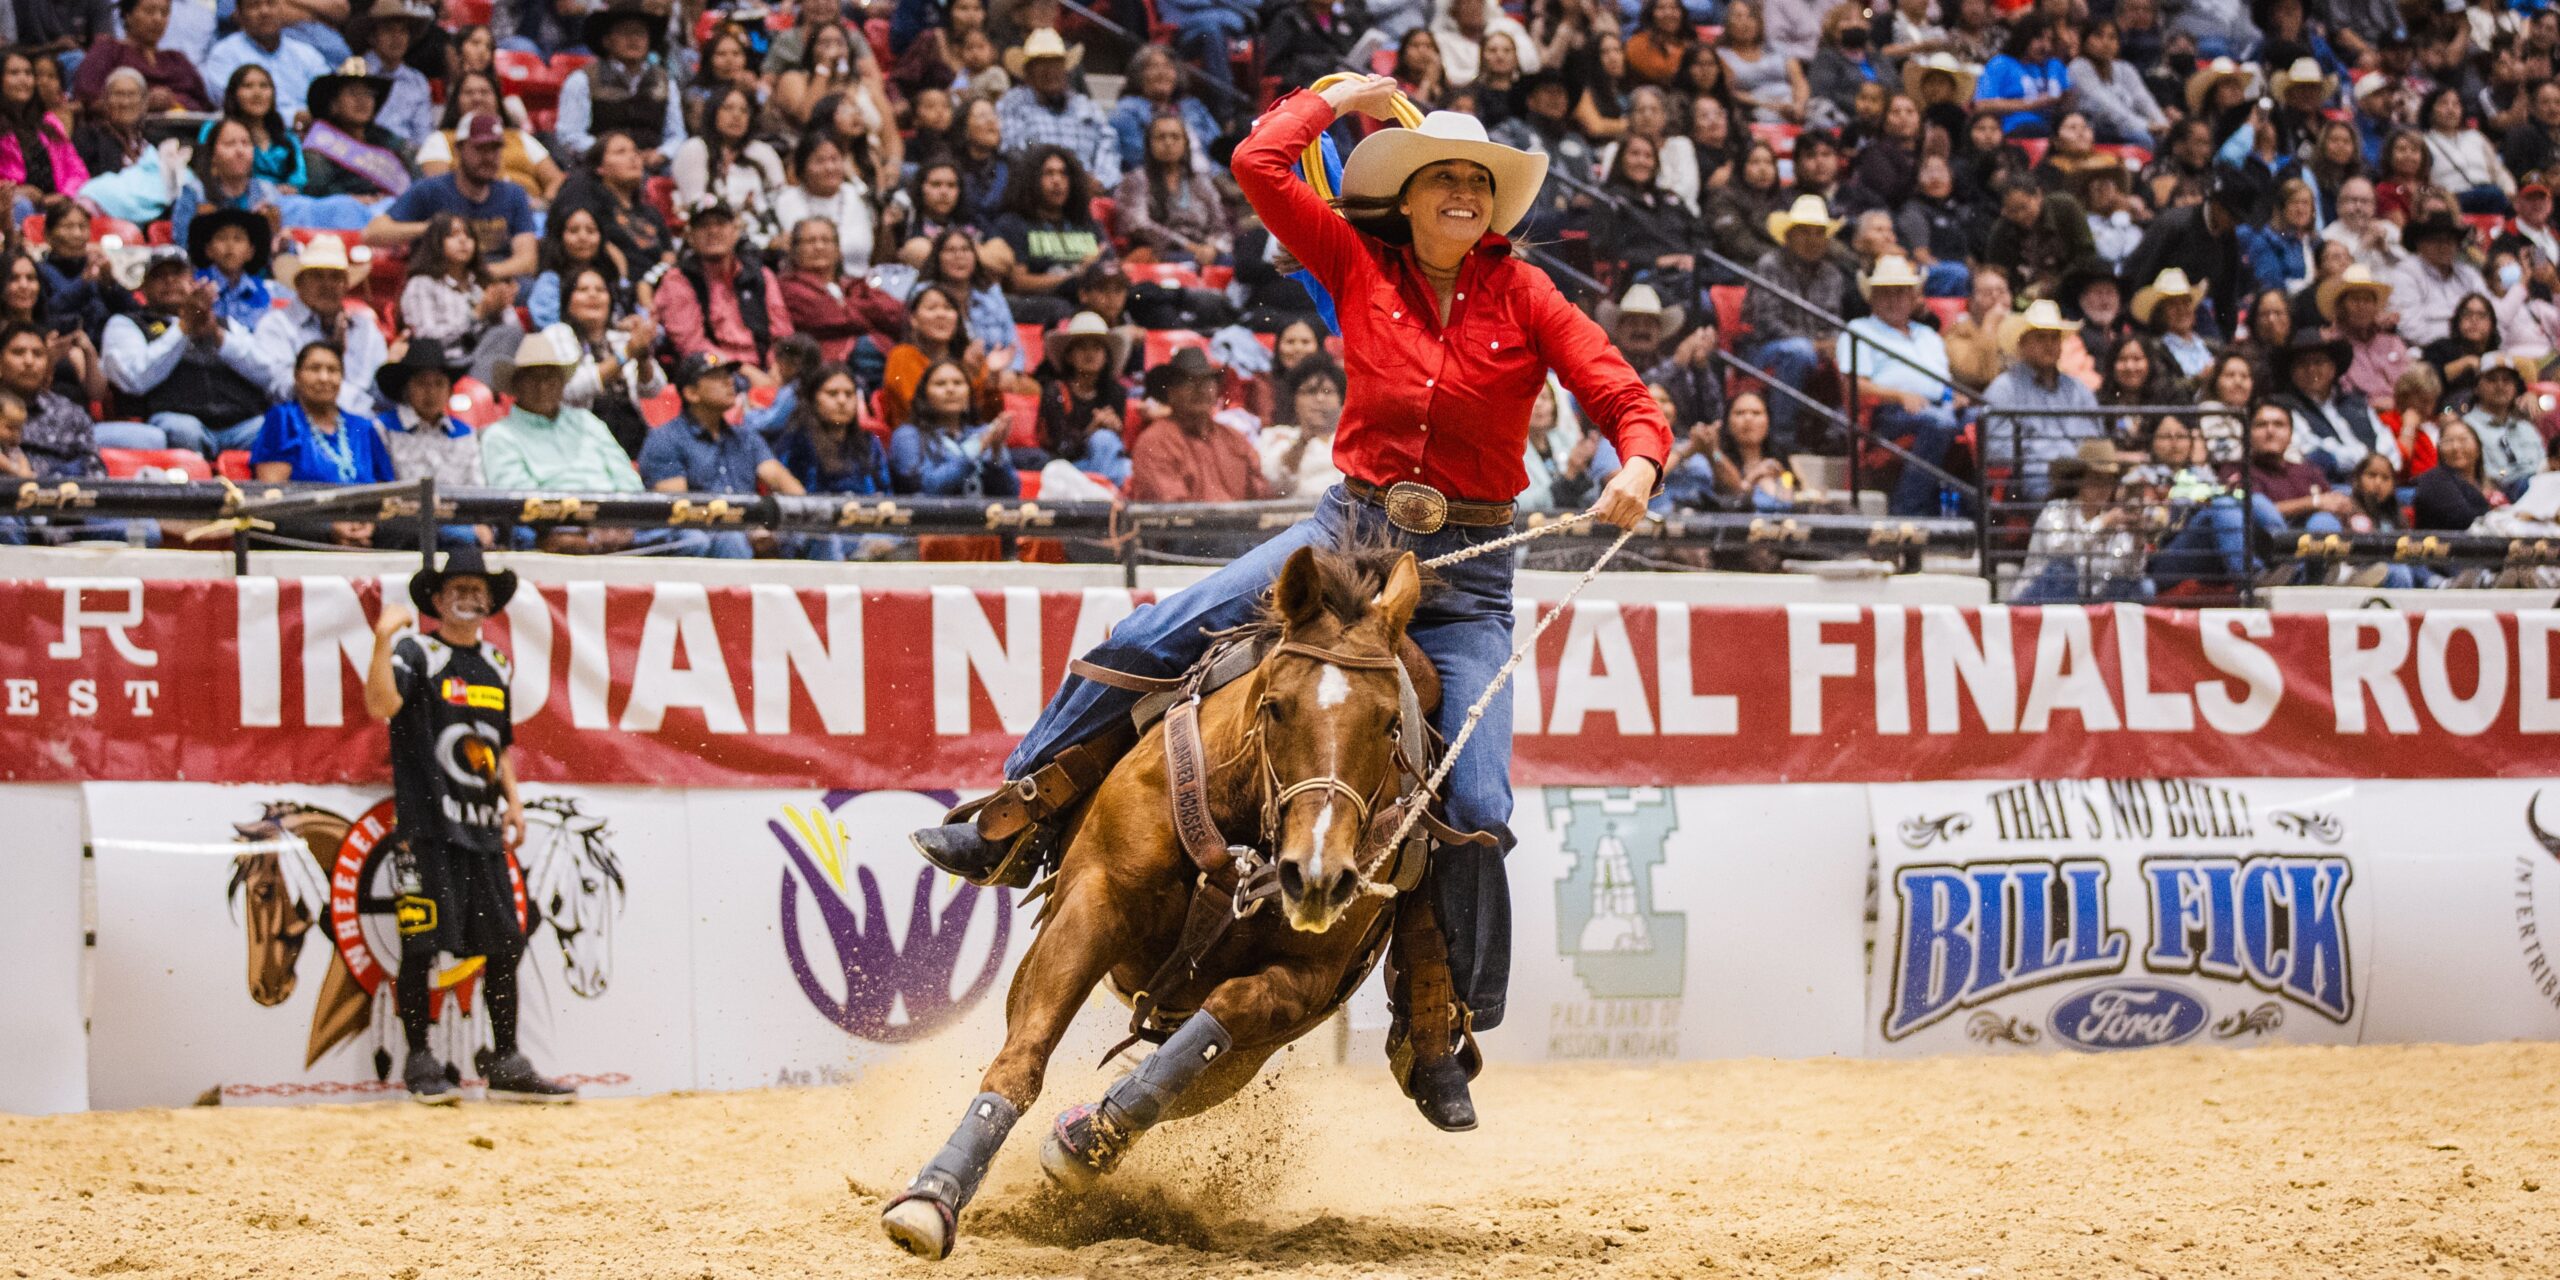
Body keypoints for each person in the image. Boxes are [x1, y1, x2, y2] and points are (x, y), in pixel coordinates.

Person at [902, 76, 1669, 1146]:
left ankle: (1431, 1021)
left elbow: (1626, 397)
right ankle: (1017, 812)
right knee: (1141, 639)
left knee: (1475, 800)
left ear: (1496, 202)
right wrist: (1336, 93)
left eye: (1478, 181)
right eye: (1441, 177)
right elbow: (1261, 165)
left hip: (1463, 581)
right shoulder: (1359, 264)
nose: (1460, 193)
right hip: (1344, 535)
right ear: (1404, 197)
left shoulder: (1527, 295)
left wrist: (1638, 461)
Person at [363, 548, 578, 1107]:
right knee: (421, 946)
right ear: (435, 600)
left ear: (490, 601)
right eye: (456, 586)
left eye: (478, 588)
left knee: (505, 945)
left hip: (482, 832)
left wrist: (513, 801)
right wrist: (383, 639)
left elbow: (499, 743)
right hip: (426, 831)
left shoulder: (498, 665)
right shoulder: (418, 653)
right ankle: (420, 1060)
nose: (469, 595)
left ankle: (506, 1060)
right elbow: (381, 704)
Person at [100, 252, 274, 459]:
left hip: (239, 423)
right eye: (159, 276)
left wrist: (218, 336)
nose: (170, 281)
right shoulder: (127, 323)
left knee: (274, 429)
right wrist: (183, 329)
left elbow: (268, 375)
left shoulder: (224, 324)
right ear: (143, 287)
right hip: (176, 420)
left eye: (177, 274)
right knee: (185, 430)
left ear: (193, 281)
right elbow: (135, 379)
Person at [637, 351, 807, 557]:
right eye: (716, 378)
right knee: (730, 539)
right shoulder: (665, 439)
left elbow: (791, 489)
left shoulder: (745, 437)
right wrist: (745, 526)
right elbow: (680, 511)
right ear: (692, 393)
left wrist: (766, 525)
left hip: (748, 526)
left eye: (729, 376)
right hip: (700, 531)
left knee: (816, 534)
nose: (729, 382)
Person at [1841, 255, 1962, 515]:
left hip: (1939, 405)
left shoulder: (1928, 335)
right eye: (1886, 293)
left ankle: (1975, 515)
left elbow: (1944, 379)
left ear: (1913, 298)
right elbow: (1855, 386)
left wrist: (1955, 395)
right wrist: (1898, 395)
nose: (1894, 299)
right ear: (1872, 297)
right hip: (1889, 412)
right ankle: (1906, 510)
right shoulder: (1859, 330)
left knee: (1983, 419)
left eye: (1901, 292)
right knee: (1939, 423)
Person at [362, 113, 539, 281]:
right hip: (441, 281)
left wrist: (479, 276)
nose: (489, 157)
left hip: (496, 278)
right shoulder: (431, 189)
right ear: (458, 150)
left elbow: (527, 261)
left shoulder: (514, 194)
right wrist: (432, 228)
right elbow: (373, 233)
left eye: (495, 149)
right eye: (481, 149)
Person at [1745, 194, 1852, 454]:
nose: (1812, 240)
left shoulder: (1832, 274)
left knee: (1851, 349)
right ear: (1789, 235)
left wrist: (1832, 342)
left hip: (1813, 349)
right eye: (1804, 232)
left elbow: (1832, 319)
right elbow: (1766, 321)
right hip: (1763, 349)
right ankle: (1783, 437)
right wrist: (1814, 344)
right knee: (1798, 350)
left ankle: (1838, 432)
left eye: (1819, 233)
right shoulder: (1769, 265)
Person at [655, 199, 794, 385]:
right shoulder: (678, 280)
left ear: (735, 231)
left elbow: (782, 331)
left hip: (767, 369)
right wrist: (743, 370)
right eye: (703, 226)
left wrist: (777, 367)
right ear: (690, 236)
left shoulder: (761, 275)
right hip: (714, 371)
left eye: (720, 224)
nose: (713, 231)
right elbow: (691, 346)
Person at [775, 362, 899, 559]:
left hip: (864, 524)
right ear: (813, 399)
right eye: (832, 394)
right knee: (825, 536)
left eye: (849, 394)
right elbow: (791, 499)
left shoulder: (869, 442)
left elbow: (883, 492)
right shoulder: (796, 440)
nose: (842, 401)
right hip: (813, 527)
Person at [253, 236, 386, 416]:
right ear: (299, 282)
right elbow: (281, 387)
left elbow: (380, 392)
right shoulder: (276, 324)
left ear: (346, 284)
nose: (328, 285)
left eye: (336, 277)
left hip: (361, 426)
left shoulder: (365, 328)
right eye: (317, 276)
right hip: (301, 423)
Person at [1986, 298, 2103, 498]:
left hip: (2083, 476)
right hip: (2035, 477)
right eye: (2040, 338)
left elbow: (2096, 437)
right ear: (2023, 343)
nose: (2049, 345)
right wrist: (2044, 463)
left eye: (2054, 338)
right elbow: (1997, 448)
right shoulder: (2004, 389)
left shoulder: (2077, 388)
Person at [1124, 347, 1268, 502]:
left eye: (1206, 382)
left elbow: (1262, 496)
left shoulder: (1235, 439)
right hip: (1188, 526)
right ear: (1170, 392)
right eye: (1188, 382)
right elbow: (1170, 511)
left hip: (1238, 524)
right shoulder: (1155, 442)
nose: (1200, 389)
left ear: (1216, 391)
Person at [555, 1, 687, 164]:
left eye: (640, 33)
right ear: (607, 41)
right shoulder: (582, 80)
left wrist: (662, 153)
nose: (634, 39)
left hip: (655, 164)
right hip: (601, 167)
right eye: (625, 33)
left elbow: (677, 135)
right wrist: (614, 154)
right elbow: (570, 135)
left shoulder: (665, 81)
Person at [989, 144, 1106, 326]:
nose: (1057, 181)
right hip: (1040, 302)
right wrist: (1074, 275)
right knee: (1062, 308)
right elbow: (1018, 283)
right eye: (1048, 174)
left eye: (1063, 174)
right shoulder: (1013, 224)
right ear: (1031, 179)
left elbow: (1112, 268)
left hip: (1090, 299)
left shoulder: (1086, 224)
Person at [2014, 442, 2145, 602]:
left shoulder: (2115, 519)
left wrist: (2138, 543)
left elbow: (2129, 572)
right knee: (2063, 572)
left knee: (2142, 586)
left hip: (2089, 602)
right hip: (2039, 595)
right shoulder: (2057, 509)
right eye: (2096, 479)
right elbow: (2060, 551)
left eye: (2109, 481)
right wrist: (2101, 524)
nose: (2103, 488)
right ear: (2079, 480)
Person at [993, 29, 1117, 191]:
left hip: (1085, 191)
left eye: (1056, 63)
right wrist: (1054, 174)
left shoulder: (1086, 107)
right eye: (1042, 64)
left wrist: (1100, 179)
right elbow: (1015, 147)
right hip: (1036, 190)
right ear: (1028, 72)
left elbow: (1107, 145)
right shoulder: (1013, 103)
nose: (1050, 70)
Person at [775, 216, 907, 366]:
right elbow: (828, 318)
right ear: (795, 250)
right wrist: (871, 315)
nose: (819, 246)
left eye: (826, 240)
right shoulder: (789, 286)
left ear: (838, 249)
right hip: (825, 362)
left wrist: (846, 306)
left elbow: (898, 313)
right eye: (810, 241)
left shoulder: (853, 285)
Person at [1022, 309, 1130, 485]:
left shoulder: (1116, 392)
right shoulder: (1055, 391)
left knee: (1115, 453)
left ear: (1106, 356)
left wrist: (1116, 429)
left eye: (1096, 347)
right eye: (1082, 347)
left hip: (1103, 462)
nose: (1090, 354)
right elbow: (1060, 447)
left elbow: (1116, 446)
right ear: (1069, 356)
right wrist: (1091, 431)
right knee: (1103, 440)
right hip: (1067, 467)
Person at [416, 70, 563, 198]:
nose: (477, 98)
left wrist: (543, 203)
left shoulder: (520, 137)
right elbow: (438, 191)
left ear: (497, 100)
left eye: (485, 92)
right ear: (456, 101)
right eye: (469, 92)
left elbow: (556, 180)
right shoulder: (440, 139)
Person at [889, 355, 1021, 496]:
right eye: (940, 384)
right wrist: (977, 448)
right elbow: (927, 487)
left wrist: (996, 454)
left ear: (969, 393)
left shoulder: (983, 433)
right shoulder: (908, 436)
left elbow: (1010, 494)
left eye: (958, 383)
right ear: (925, 395)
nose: (950, 389)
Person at [1115, 113, 1231, 267]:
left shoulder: (1200, 181)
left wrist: (1212, 248)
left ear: (1186, 143)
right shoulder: (1136, 180)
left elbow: (1220, 226)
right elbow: (1137, 223)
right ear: (1149, 144)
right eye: (1161, 137)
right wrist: (1188, 246)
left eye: (1175, 137)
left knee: (1232, 264)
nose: (1168, 142)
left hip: (1202, 253)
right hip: (1159, 253)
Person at [202, 0, 330, 125]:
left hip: (312, 135)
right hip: (251, 134)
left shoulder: (307, 54)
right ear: (239, 15)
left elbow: (329, 99)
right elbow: (233, 106)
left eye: (271, 3)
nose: (265, 11)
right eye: (254, 5)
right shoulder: (224, 54)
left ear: (283, 9)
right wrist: (292, 117)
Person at [70, 0, 212, 113]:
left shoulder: (177, 60)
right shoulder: (108, 51)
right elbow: (88, 102)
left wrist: (173, 101)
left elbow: (204, 105)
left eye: (164, 13)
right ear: (128, 15)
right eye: (149, 11)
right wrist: (141, 103)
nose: (158, 19)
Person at [775, 130, 878, 272]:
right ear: (803, 166)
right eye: (820, 161)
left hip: (858, 282)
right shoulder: (787, 200)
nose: (829, 168)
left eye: (834, 159)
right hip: (805, 284)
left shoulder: (855, 194)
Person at [2318, 265, 2410, 413]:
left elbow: (2412, 383)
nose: (2361, 306)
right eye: (2354, 300)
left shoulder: (2392, 342)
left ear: (2375, 307)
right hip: (2362, 416)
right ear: (2341, 307)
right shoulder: (2333, 346)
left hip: (2405, 412)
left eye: (2367, 300)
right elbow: (2341, 396)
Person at [2390, 212, 2489, 345]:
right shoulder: (2405, 274)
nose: (2444, 246)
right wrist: (2456, 344)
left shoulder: (2468, 275)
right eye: (2436, 240)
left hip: (2475, 345)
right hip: (2428, 351)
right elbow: (2410, 328)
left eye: (2450, 240)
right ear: (2419, 244)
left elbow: (2489, 311)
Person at [1258, 355, 1347, 499]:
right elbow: (1273, 485)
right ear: (1295, 399)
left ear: (1341, 400)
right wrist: (1302, 442)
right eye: (1310, 391)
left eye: (1327, 391)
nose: (1320, 399)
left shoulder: (1355, 442)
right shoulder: (1276, 435)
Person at [352, 0, 436, 146]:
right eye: (388, 30)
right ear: (372, 37)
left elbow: (423, 136)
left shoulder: (417, 81)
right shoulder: (356, 70)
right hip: (362, 152)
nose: (397, 37)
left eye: (403, 31)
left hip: (406, 158)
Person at [187, 207, 276, 331]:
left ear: (250, 252)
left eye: (238, 239)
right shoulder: (195, 287)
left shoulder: (264, 291)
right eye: (221, 238)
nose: (230, 246)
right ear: (208, 250)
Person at [2466, 356, 2544, 496]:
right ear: (2476, 387)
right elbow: (2482, 478)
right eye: (2492, 379)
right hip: (2502, 492)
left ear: (2515, 388)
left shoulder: (2525, 427)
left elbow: (2545, 463)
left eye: (2507, 380)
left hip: (2540, 486)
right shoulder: (2467, 427)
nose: (2500, 385)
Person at [2131, 267, 2213, 379]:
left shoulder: (2211, 347)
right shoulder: (2154, 351)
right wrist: (2199, 380)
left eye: (2186, 302)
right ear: (2160, 314)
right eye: (2172, 304)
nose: (2181, 309)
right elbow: (2163, 388)